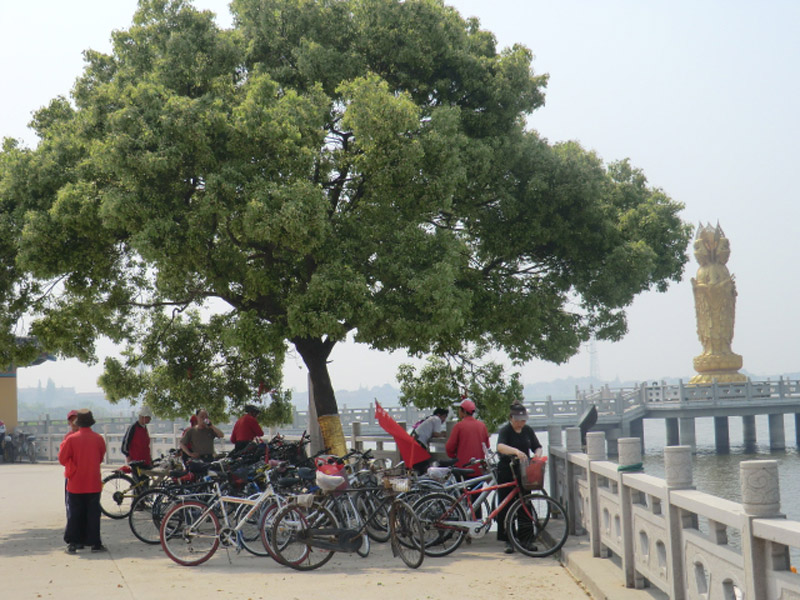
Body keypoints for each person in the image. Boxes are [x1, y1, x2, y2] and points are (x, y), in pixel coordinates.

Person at [58, 409, 107, 554]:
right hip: (93, 481)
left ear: (78, 422)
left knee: (75, 513)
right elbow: (100, 457)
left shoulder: (71, 439)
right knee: (93, 514)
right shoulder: (98, 438)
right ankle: (95, 544)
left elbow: (62, 459)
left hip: (75, 482)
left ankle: (73, 543)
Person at [495, 402, 542, 554]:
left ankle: (526, 539)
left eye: (523, 420)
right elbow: (500, 446)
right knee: (506, 505)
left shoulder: (527, 430)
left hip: (524, 471)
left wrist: (537, 455)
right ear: (511, 418)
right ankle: (508, 539)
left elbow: (537, 446)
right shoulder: (506, 430)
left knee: (524, 503)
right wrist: (515, 451)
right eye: (518, 420)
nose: (521, 423)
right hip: (507, 471)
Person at [445, 399, 489, 477]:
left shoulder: (459, 426)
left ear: (464, 411)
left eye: (459, 409)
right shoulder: (482, 426)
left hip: (463, 468)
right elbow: (487, 446)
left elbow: (449, 447)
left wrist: (454, 457)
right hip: (479, 468)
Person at [410, 408, 448, 475]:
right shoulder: (437, 419)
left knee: (418, 465)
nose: (444, 420)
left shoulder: (430, 418)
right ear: (439, 415)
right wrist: (444, 434)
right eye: (444, 417)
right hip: (420, 442)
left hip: (415, 440)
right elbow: (435, 434)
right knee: (423, 465)